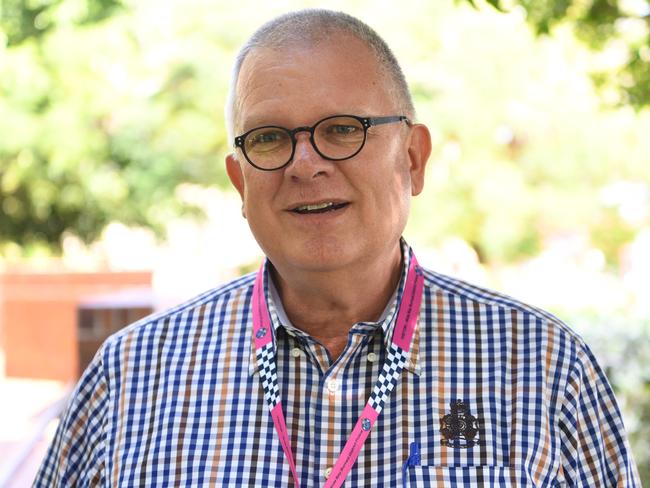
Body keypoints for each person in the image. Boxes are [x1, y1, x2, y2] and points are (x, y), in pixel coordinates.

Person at [35, 9, 640, 487]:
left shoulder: (541, 366)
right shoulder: (131, 376)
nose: (307, 164)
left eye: (343, 129)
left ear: (413, 157)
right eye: (270, 138)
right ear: (240, 181)